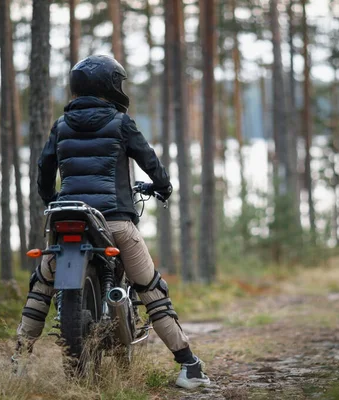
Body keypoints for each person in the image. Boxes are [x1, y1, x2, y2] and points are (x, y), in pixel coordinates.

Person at [13, 55, 210, 389]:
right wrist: (162, 187)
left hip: (66, 219)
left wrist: (52, 201)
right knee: (151, 289)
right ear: (108, 85)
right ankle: (189, 367)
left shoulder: (61, 125)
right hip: (114, 221)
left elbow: (44, 171)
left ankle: (17, 363)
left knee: (42, 286)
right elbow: (150, 161)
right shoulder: (120, 122)